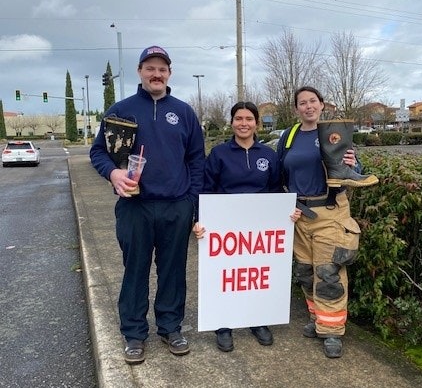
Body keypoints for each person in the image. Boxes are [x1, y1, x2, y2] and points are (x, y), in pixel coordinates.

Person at [90, 46, 205, 364]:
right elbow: (98, 151)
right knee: (135, 270)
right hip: (134, 207)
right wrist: (113, 173)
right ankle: (134, 334)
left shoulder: (183, 112)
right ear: (140, 71)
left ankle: (170, 327)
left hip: (175, 207)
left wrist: (191, 203)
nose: (157, 74)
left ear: (169, 74)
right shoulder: (121, 109)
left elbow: (197, 160)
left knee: (173, 271)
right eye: (150, 68)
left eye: (162, 69)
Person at [193, 101, 299, 352]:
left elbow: (276, 190)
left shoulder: (268, 155)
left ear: (257, 123)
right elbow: (206, 190)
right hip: (225, 230)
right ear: (232, 123)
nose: (243, 123)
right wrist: (198, 220)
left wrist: (287, 213)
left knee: (255, 275)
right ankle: (223, 325)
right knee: (225, 276)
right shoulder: (219, 154)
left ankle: (257, 320)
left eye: (249, 119)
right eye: (238, 118)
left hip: (258, 230)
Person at [277, 86, 361, 358]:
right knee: (304, 271)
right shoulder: (288, 137)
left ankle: (333, 331)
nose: (308, 106)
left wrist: (353, 163)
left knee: (328, 273)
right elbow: (280, 172)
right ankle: (318, 319)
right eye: (302, 103)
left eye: (313, 101)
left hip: (330, 211)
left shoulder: (333, 132)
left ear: (322, 105)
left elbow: (351, 169)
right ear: (296, 108)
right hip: (300, 214)